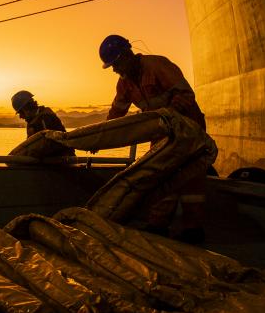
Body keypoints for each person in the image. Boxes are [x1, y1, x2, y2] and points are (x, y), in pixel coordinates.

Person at [99, 34, 208, 243]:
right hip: (161, 133)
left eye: (115, 64)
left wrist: (168, 116)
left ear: (128, 54)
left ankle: (193, 231)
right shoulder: (124, 84)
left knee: (191, 180)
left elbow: (185, 95)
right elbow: (116, 114)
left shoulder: (158, 66)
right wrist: (102, 137)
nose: (114, 69)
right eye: (111, 66)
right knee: (158, 177)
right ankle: (158, 226)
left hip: (189, 130)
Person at [11, 90, 75, 157]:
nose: (20, 117)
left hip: (60, 161)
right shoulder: (33, 121)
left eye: (20, 113)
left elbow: (53, 145)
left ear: (27, 109)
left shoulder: (46, 118)